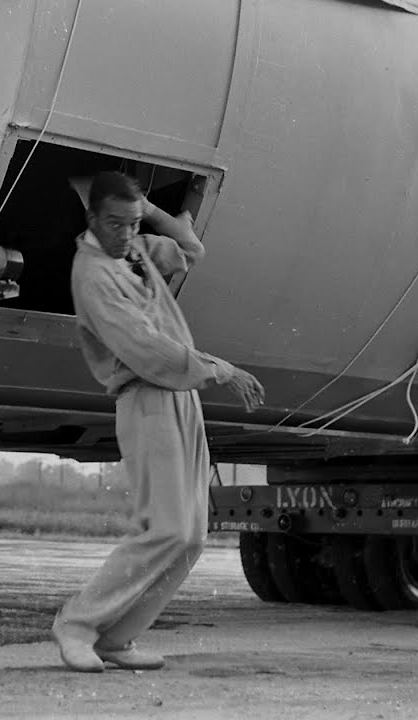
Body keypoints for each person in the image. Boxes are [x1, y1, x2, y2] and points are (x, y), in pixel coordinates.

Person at [51, 172, 265, 674]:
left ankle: (117, 638)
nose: (125, 234)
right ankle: (77, 626)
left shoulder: (134, 249)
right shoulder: (93, 276)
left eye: (131, 223)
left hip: (179, 394)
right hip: (146, 395)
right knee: (167, 527)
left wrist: (147, 212)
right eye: (114, 223)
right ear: (91, 220)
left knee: (190, 533)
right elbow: (146, 350)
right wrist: (221, 369)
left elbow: (192, 248)